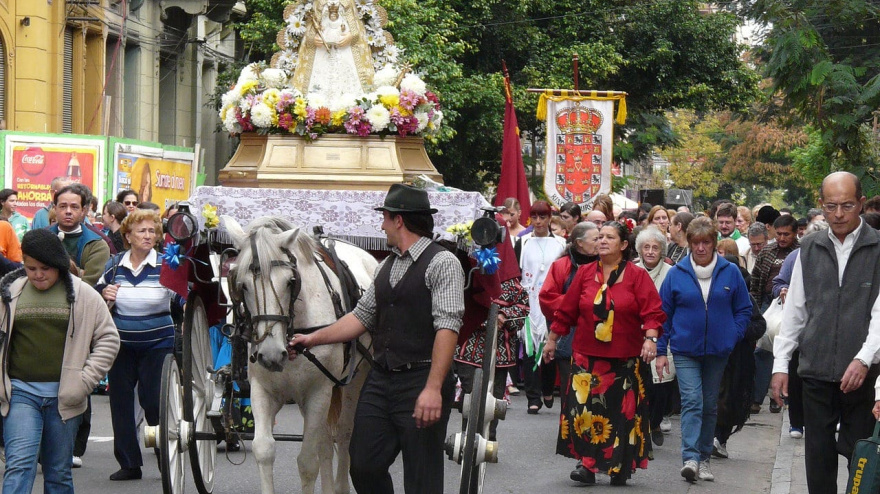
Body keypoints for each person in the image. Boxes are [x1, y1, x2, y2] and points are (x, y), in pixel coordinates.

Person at [288, 183, 464, 494]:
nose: (381, 224)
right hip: (383, 380)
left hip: (422, 379)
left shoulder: (443, 263)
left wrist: (434, 388)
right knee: (363, 464)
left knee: (422, 481)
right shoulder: (387, 266)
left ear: (399, 220)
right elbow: (359, 317)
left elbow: (447, 327)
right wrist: (311, 339)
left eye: (384, 217)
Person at [771, 172, 880, 494]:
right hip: (815, 371)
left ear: (861, 203)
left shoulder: (877, 248)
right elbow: (796, 311)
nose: (839, 214)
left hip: (863, 374)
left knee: (860, 457)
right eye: (831, 206)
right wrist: (780, 364)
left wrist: (863, 359)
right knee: (817, 459)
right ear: (821, 204)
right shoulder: (810, 247)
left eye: (847, 205)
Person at [543, 221, 665, 486]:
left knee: (619, 414)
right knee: (583, 410)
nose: (602, 241)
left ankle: (618, 465)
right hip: (586, 356)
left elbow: (653, 313)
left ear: (623, 245)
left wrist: (651, 339)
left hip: (624, 359)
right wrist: (552, 340)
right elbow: (566, 312)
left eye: (609, 237)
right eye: (599, 237)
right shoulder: (585, 274)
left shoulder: (636, 276)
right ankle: (586, 464)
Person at [0, 229, 119, 492]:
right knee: (19, 466)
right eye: (31, 268)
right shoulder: (11, 293)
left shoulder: (84, 294)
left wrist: (84, 380)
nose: (38, 274)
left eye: (45, 268)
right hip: (20, 393)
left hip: (66, 397)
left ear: (59, 265)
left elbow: (108, 339)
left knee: (57, 472)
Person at [657, 216, 752, 482]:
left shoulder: (730, 272)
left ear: (713, 243)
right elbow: (663, 314)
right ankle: (690, 457)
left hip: (718, 351)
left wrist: (732, 335)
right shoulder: (676, 274)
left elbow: (744, 309)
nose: (701, 248)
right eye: (696, 243)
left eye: (706, 243)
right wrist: (662, 351)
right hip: (685, 348)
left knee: (710, 405)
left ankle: (704, 458)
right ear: (689, 243)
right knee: (692, 401)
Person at [97, 209, 180, 481]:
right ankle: (129, 463)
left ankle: (162, 455)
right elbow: (97, 298)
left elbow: (182, 301)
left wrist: (187, 300)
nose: (148, 235)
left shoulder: (167, 264)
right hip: (120, 343)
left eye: (152, 231)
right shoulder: (114, 264)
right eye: (142, 231)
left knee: (154, 402)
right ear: (128, 236)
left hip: (158, 343)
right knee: (120, 402)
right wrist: (104, 293)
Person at [539, 222, 600, 478]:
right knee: (574, 400)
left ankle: (601, 454)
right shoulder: (561, 266)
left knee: (601, 402)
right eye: (595, 238)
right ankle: (583, 457)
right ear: (578, 243)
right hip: (569, 340)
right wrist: (579, 303)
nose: (600, 242)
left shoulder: (607, 265)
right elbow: (547, 298)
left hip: (602, 341)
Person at [453, 234, 526, 441]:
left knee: (494, 396)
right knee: (470, 393)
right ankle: (469, 437)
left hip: (499, 350)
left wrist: (504, 316)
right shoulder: (468, 273)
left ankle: (488, 437)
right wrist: (484, 320)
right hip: (470, 345)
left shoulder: (512, 281)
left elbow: (522, 307)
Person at [712, 255, 766, 460]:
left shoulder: (745, 296)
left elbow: (759, 325)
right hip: (711, 354)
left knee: (729, 400)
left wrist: (736, 330)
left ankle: (720, 439)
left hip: (738, 360)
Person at [517, 201, 566, 414]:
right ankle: (532, 397)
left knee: (549, 346)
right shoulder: (522, 242)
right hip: (529, 300)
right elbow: (515, 272)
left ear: (549, 219)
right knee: (529, 347)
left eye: (542, 217)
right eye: (534, 217)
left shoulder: (562, 244)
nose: (538, 222)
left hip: (552, 301)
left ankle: (547, 388)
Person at [633, 226, 676, 447]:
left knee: (662, 384)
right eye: (646, 247)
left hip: (664, 333)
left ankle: (656, 421)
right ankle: (642, 425)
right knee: (642, 383)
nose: (650, 251)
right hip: (636, 333)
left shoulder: (672, 273)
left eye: (655, 248)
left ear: (662, 251)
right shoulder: (630, 270)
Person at [50, 184, 112, 287]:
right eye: (63, 206)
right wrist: (79, 273)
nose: (68, 211)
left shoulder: (97, 245)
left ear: (83, 211)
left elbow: (89, 286)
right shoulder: (40, 239)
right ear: (55, 208)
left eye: (74, 207)